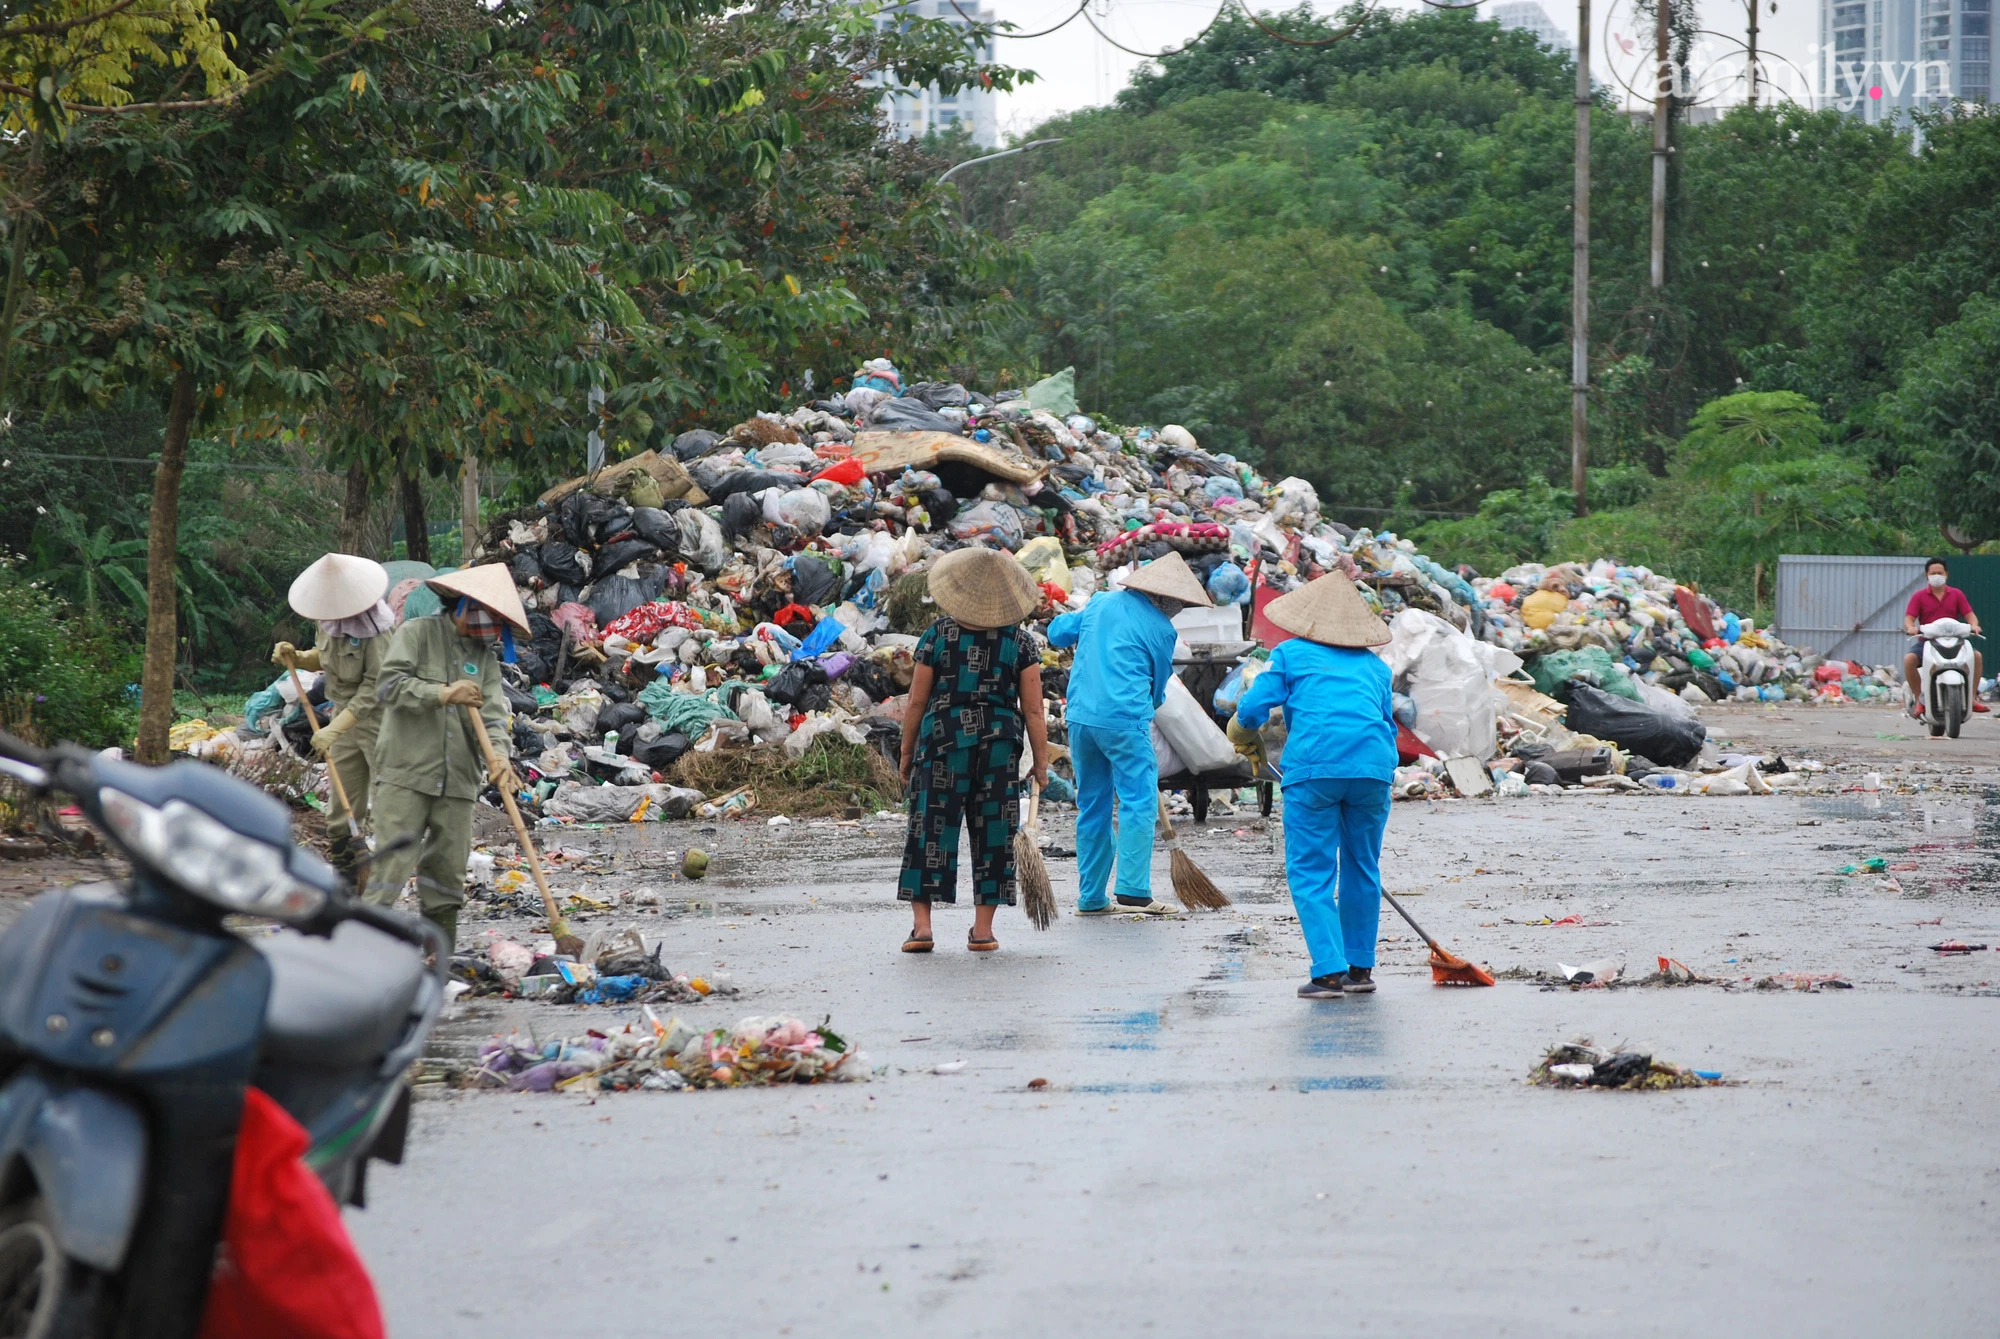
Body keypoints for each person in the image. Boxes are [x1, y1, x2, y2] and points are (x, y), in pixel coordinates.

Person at [1229, 571, 1395, 1000]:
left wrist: (1245, 729)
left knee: (1312, 869)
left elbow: (1250, 707)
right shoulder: (1376, 667)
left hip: (1316, 770)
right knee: (1363, 866)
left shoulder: (1290, 654)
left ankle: (1327, 973)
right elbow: (1386, 721)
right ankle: (1360, 970)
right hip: (1373, 770)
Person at [897, 547, 1050, 954]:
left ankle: (923, 928)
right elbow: (1034, 710)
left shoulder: (939, 635)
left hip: (943, 742)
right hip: (999, 746)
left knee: (930, 829)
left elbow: (916, 701)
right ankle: (983, 932)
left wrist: (906, 752)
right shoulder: (1021, 642)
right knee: (994, 832)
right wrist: (1042, 763)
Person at [366, 565, 527, 949]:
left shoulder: (483, 658)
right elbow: (388, 687)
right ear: (465, 607)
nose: (493, 628)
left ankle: (438, 959)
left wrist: (500, 757)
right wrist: (442, 693)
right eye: (490, 616)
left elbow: (490, 715)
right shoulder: (417, 634)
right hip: (407, 772)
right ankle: (363, 953)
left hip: (458, 778)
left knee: (447, 876)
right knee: (391, 867)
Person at [1046, 550, 1212, 916]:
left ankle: (1091, 897)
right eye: (1178, 604)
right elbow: (1157, 688)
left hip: (1081, 720)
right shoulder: (1163, 630)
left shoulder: (1100, 602)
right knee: (1138, 800)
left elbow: (1057, 634)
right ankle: (1134, 889)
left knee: (1092, 804)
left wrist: (1080, 624)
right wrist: (1147, 707)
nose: (1177, 610)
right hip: (1125, 720)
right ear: (1166, 599)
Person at [271, 554, 394, 880]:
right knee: (341, 809)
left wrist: (335, 727)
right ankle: (348, 879)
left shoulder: (376, 629)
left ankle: (386, 882)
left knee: (387, 803)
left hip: (379, 720)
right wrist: (296, 657)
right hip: (343, 714)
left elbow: (375, 687)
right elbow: (325, 659)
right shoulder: (327, 622)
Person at [1903, 556, 1986, 716]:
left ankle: (1972, 698)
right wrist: (1911, 627)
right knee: (1909, 660)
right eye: (1933, 573)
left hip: (1954, 640)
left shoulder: (1956, 594)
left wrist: (1974, 625)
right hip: (1927, 642)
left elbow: (1969, 615)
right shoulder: (1919, 596)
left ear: (1946, 574)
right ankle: (1919, 699)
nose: (1936, 576)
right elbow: (1909, 618)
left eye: (1939, 572)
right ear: (1926, 576)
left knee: (1977, 656)